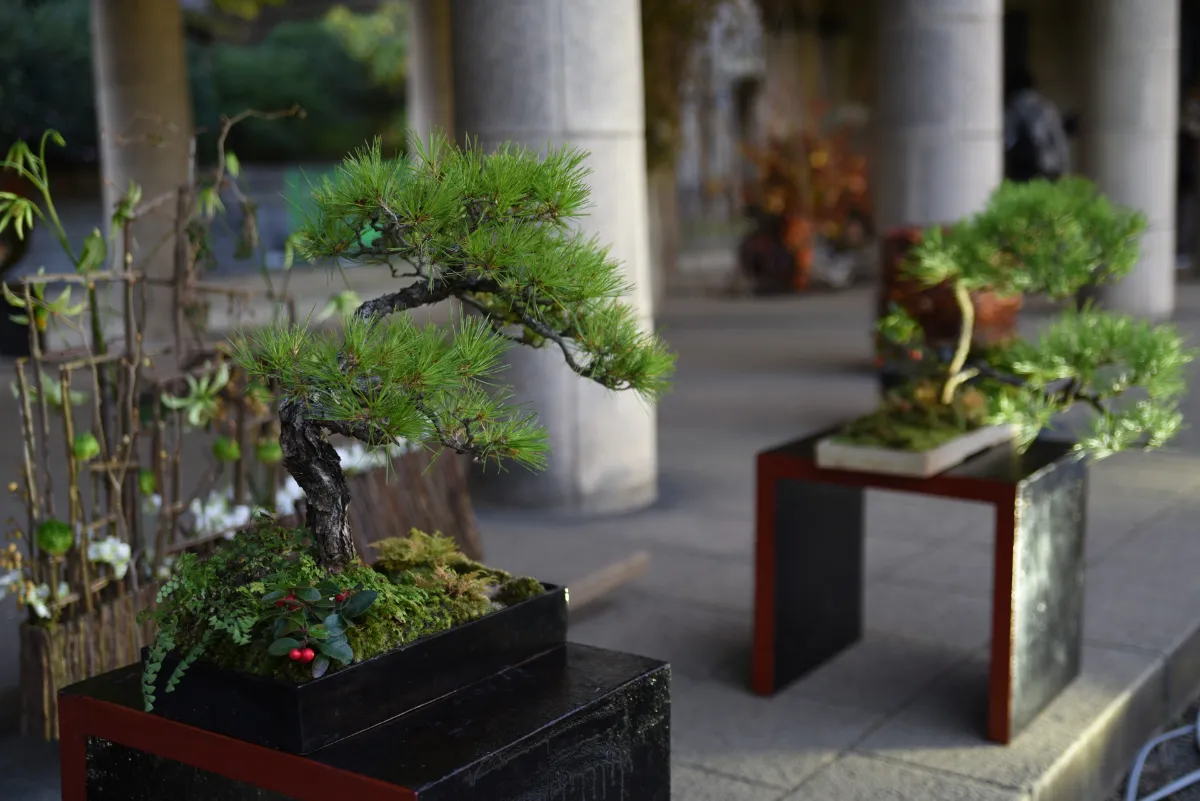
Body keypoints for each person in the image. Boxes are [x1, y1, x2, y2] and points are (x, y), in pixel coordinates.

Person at [1003, 66, 1070, 183]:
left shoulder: (1014, 107)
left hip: (1022, 168)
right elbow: (1058, 140)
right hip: (1047, 166)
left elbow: (1009, 140)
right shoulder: (1047, 107)